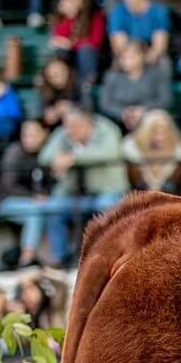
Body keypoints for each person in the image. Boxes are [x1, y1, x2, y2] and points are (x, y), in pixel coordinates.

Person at [39, 109, 129, 265]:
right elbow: (44, 156)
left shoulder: (107, 129)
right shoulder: (65, 132)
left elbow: (108, 153)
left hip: (108, 190)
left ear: (88, 124)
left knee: (104, 206)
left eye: (74, 127)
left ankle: (106, 256)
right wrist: (59, 158)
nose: (69, 131)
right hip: (75, 193)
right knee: (52, 207)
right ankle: (59, 258)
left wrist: (74, 157)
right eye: (67, 126)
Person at [0, 119, 55, 267]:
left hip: (40, 202)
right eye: (25, 134)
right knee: (34, 212)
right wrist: (33, 197)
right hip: (8, 201)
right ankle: (26, 259)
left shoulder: (48, 151)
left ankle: (55, 257)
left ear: (45, 134)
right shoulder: (14, 153)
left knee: (52, 209)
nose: (28, 139)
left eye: (33, 134)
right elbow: (9, 185)